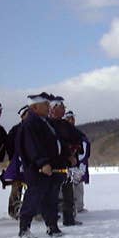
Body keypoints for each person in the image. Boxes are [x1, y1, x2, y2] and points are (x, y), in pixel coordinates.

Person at [16, 93, 76, 238]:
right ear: (35, 107)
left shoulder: (46, 122)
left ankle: (52, 227)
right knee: (33, 198)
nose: (48, 107)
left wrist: (67, 156)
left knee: (51, 199)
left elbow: (56, 142)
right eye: (46, 105)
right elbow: (32, 147)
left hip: (52, 168)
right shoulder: (30, 124)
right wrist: (42, 163)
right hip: (38, 169)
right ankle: (24, 229)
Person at [48, 96, 83, 226]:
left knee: (68, 190)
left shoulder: (66, 125)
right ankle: (51, 221)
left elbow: (79, 137)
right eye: (62, 107)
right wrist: (67, 152)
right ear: (53, 109)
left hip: (66, 164)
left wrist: (75, 149)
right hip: (52, 164)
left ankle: (68, 218)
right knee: (52, 193)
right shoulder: (46, 124)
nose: (64, 110)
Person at [1, 105, 29, 219]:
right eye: (27, 114)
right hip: (17, 162)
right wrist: (13, 157)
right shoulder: (15, 129)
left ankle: (29, 209)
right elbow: (8, 145)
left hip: (30, 163)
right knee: (16, 186)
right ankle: (13, 211)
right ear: (22, 116)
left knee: (31, 186)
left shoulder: (34, 128)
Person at [64, 110, 90, 214]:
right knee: (65, 187)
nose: (71, 120)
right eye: (68, 118)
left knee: (78, 185)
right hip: (66, 164)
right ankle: (65, 208)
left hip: (78, 163)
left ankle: (79, 206)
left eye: (72, 118)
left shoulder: (78, 133)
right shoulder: (61, 131)